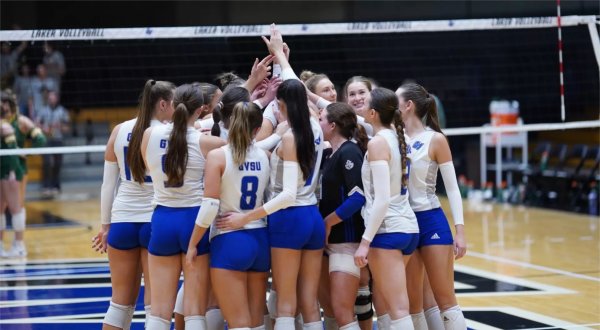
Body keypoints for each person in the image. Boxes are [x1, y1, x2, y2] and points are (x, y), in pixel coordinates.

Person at [217, 79, 325, 330]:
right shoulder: (315, 127)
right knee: (309, 302)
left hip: (289, 219)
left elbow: (287, 195)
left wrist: (246, 217)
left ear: (282, 104)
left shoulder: (290, 138)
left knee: (285, 303)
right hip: (312, 216)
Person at [91, 80, 175, 330]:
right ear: (162, 104)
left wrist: (106, 226)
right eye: (174, 104)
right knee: (155, 306)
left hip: (122, 222)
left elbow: (107, 186)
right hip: (155, 222)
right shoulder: (167, 134)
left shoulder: (118, 131)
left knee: (119, 304)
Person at [143, 83, 225, 330]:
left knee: (158, 311)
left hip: (162, 218)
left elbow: (149, 167)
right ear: (201, 110)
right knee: (194, 310)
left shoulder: (148, 135)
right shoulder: (209, 143)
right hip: (194, 220)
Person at [187, 101, 270, 329]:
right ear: (257, 129)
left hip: (229, 239)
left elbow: (209, 206)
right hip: (260, 240)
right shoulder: (266, 156)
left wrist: (193, 243)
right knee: (257, 323)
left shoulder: (218, 156)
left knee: (238, 324)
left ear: (230, 125)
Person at [396, 83, 467, 330]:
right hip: (405, 221)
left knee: (445, 299)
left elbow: (453, 189)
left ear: (408, 106)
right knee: (414, 304)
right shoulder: (393, 137)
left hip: (430, 220)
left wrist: (460, 231)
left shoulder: (435, 139)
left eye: (396, 102)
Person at [353, 87, 418, 330]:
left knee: (398, 309)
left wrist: (365, 242)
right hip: (407, 228)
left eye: (365, 104)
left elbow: (381, 200)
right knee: (395, 306)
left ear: (373, 113)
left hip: (387, 232)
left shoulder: (378, 143)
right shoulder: (402, 138)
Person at [319, 102, 371, 330]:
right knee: (332, 310)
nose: (317, 123)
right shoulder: (330, 153)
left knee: (343, 312)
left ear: (332, 125)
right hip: (329, 243)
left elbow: (358, 197)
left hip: (346, 241)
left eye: (320, 119)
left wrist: (328, 222)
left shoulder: (349, 151)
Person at [0, 90, 46, 258]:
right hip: (3, 167)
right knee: (2, 207)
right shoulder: (3, 122)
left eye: (6, 103)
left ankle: (19, 244)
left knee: (16, 206)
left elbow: (40, 139)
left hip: (17, 169)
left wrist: (25, 153)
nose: (3, 106)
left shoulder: (20, 121)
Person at [0, 94, 25, 258]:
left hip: (10, 172)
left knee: (15, 208)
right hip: (1, 172)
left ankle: (20, 245)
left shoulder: (6, 128)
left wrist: (12, 172)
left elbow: (13, 153)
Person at [36, 90, 69, 196]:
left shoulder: (62, 111)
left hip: (58, 139)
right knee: (47, 162)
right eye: (49, 97)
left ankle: (56, 185)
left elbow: (66, 128)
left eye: (52, 97)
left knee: (58, 163)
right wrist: (44, 128)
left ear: (56, 98)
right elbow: (36, 124)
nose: (50, 99)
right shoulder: (43, 110)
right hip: (46, 139)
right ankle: (46, 185)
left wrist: (59, 126)